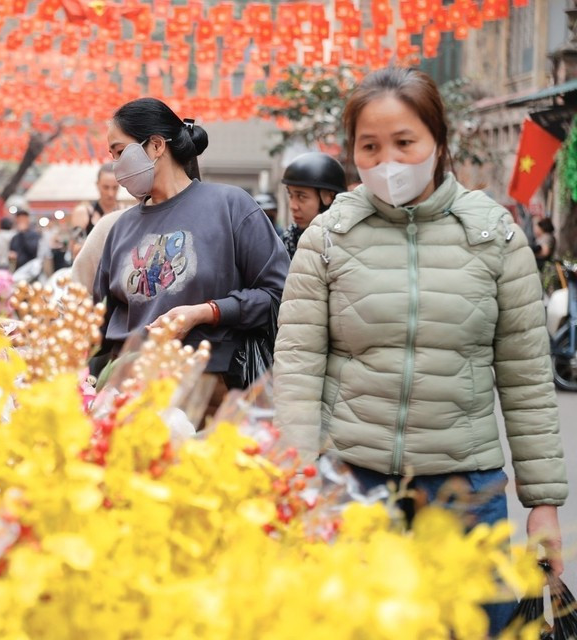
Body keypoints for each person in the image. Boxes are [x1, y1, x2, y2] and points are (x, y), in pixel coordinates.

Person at [273, 67, 567, 637]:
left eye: (404, 142)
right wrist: (296, 482)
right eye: (370, 146)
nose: (388, 161)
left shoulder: (494, 235)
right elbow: (298, 367)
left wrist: (545, 503)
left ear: (438, 142)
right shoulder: (328, 237)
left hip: (465, 488)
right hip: (353, 485)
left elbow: (527, 376)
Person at [94, 97, 290, 391]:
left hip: (210, 393)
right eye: (112, 154)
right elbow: (99, 320)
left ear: (157, 145)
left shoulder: (230, 206)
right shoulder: (122, 226)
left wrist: (207, 312)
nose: (116, 165)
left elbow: (281, 295)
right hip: (130, 392)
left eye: (120, 151)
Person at [280, 152, 347, 258]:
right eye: (291, 195)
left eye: (301, 197)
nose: (293, 206)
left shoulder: (348, 243)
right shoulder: (287, 241)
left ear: (329, 197)